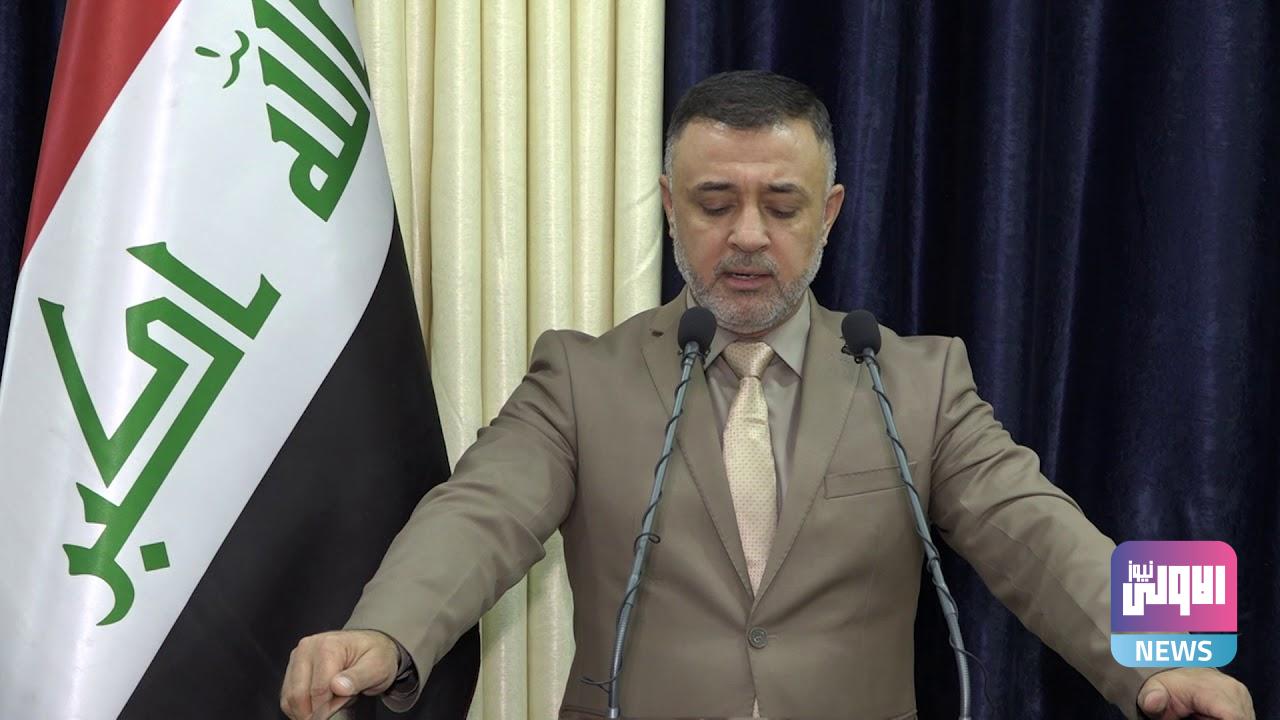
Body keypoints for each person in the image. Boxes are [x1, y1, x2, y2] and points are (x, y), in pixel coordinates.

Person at [280, 71, 1254, 720]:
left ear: (827, 214)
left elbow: (1035, 530)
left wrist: (1166, 659)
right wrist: (382, 632)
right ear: (670, 208)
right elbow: (479, 512)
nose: (747, 235)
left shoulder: (916, 382)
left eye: (780, 205)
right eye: (715, 203)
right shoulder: (580, 378)